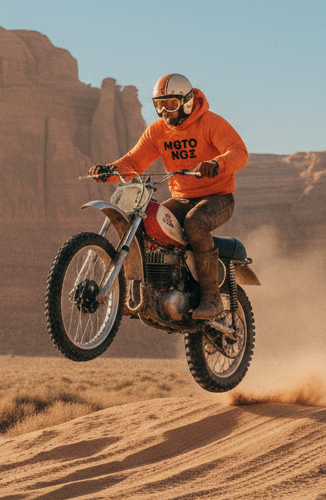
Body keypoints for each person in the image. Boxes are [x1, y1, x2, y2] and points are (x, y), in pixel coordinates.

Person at [89, 73, 248, 321]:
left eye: (170, 104)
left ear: (186, 102)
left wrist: (217, 164)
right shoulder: (157, 131)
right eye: (158, 105)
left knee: (195, 223)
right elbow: (133, 162)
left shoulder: (210, 123)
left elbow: (239, 152)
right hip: (182, 199)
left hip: (218, 198)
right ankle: (151, 290)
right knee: (147, 221)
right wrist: (109, 170)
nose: (164, 111)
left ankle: (212, 299)